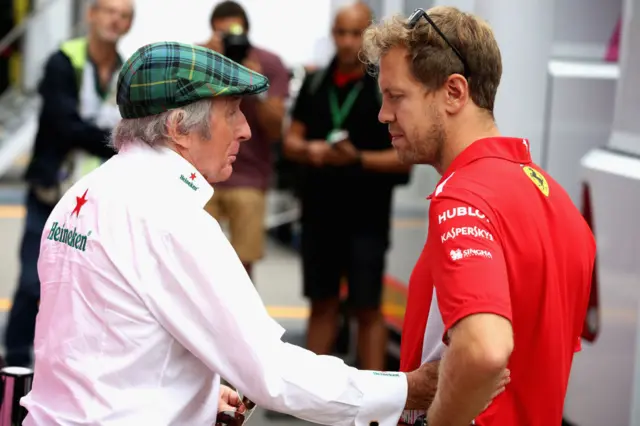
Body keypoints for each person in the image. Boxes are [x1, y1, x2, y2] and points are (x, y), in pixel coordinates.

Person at [20, 41, 453, 426]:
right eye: (231, 112)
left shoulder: (83, 195)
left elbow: (105, 344)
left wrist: (197, 396)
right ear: (177, 127)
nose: (246, 129)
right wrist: (407, 389)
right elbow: (272, 372)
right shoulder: (173, 218)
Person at [360, 6, 596, 426]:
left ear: (454, 92)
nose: (384, 114)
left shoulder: (462, 198)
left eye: (396, 96)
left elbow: (484, 350)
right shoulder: (558, 202)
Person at [4, 0, 133, 368]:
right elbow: (64, 124)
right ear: (91, 14)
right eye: (109, 11)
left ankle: (64, 367)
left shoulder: (125, 72)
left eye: (124, 15)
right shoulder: (63, 60)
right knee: (33, 283)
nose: (115, 20)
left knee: (86, 289)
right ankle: (13, 366)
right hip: (51, 193)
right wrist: (115, 139)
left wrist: (105, 137)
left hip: (95, 203)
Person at [284, 1, 411, 372]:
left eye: (355, 33)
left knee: (367, 308)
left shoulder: (383, 88)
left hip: (366, 217)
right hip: (320, 214)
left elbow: (404, 155)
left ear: (368, 37)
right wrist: (312, 150)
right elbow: (291, 140)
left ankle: (374, 399)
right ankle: (314, 397)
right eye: (341, 32)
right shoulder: (315, 82)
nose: (347, 41)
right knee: (321, 303)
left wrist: (357, 159)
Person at [201, 0, 290, 278]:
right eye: (223, 35)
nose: (231, 42)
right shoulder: (200, 58)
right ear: (213, 33)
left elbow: (276, 130)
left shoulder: (268, 64)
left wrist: (254, 82)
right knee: (197, 263)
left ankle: (237, 322)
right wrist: (211, 66)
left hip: (249, 176)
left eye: (236, 35)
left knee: (242, 267)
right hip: (201, 176)